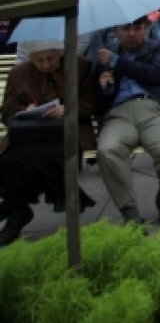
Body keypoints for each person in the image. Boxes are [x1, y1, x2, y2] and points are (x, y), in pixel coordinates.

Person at [0, 39, 95, 245]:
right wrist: (24, 112)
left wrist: (67, 110)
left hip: (66, 132)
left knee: (48, 158)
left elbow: (90, 103)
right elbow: (7, 111)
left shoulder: (81, 66)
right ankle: (18, 209)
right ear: (31, 58)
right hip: (29, 135)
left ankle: (15, 210)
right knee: (8, 161)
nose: (44, 64)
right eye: (39, 60)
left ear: (60, 54)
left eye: (50, 59)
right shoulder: (19, 73)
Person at [94, 17, 160, 226]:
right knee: (107, 151)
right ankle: (129, 211)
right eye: (126, 28)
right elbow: (97, 103)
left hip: (155, 110)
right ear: (116, 31)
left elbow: (157, 74)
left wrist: (118, 62)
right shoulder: (104, 56)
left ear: (145, 29)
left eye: (137, 28)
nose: (131, 33)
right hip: (119, 113)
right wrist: (103, 86)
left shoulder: (158, 48)